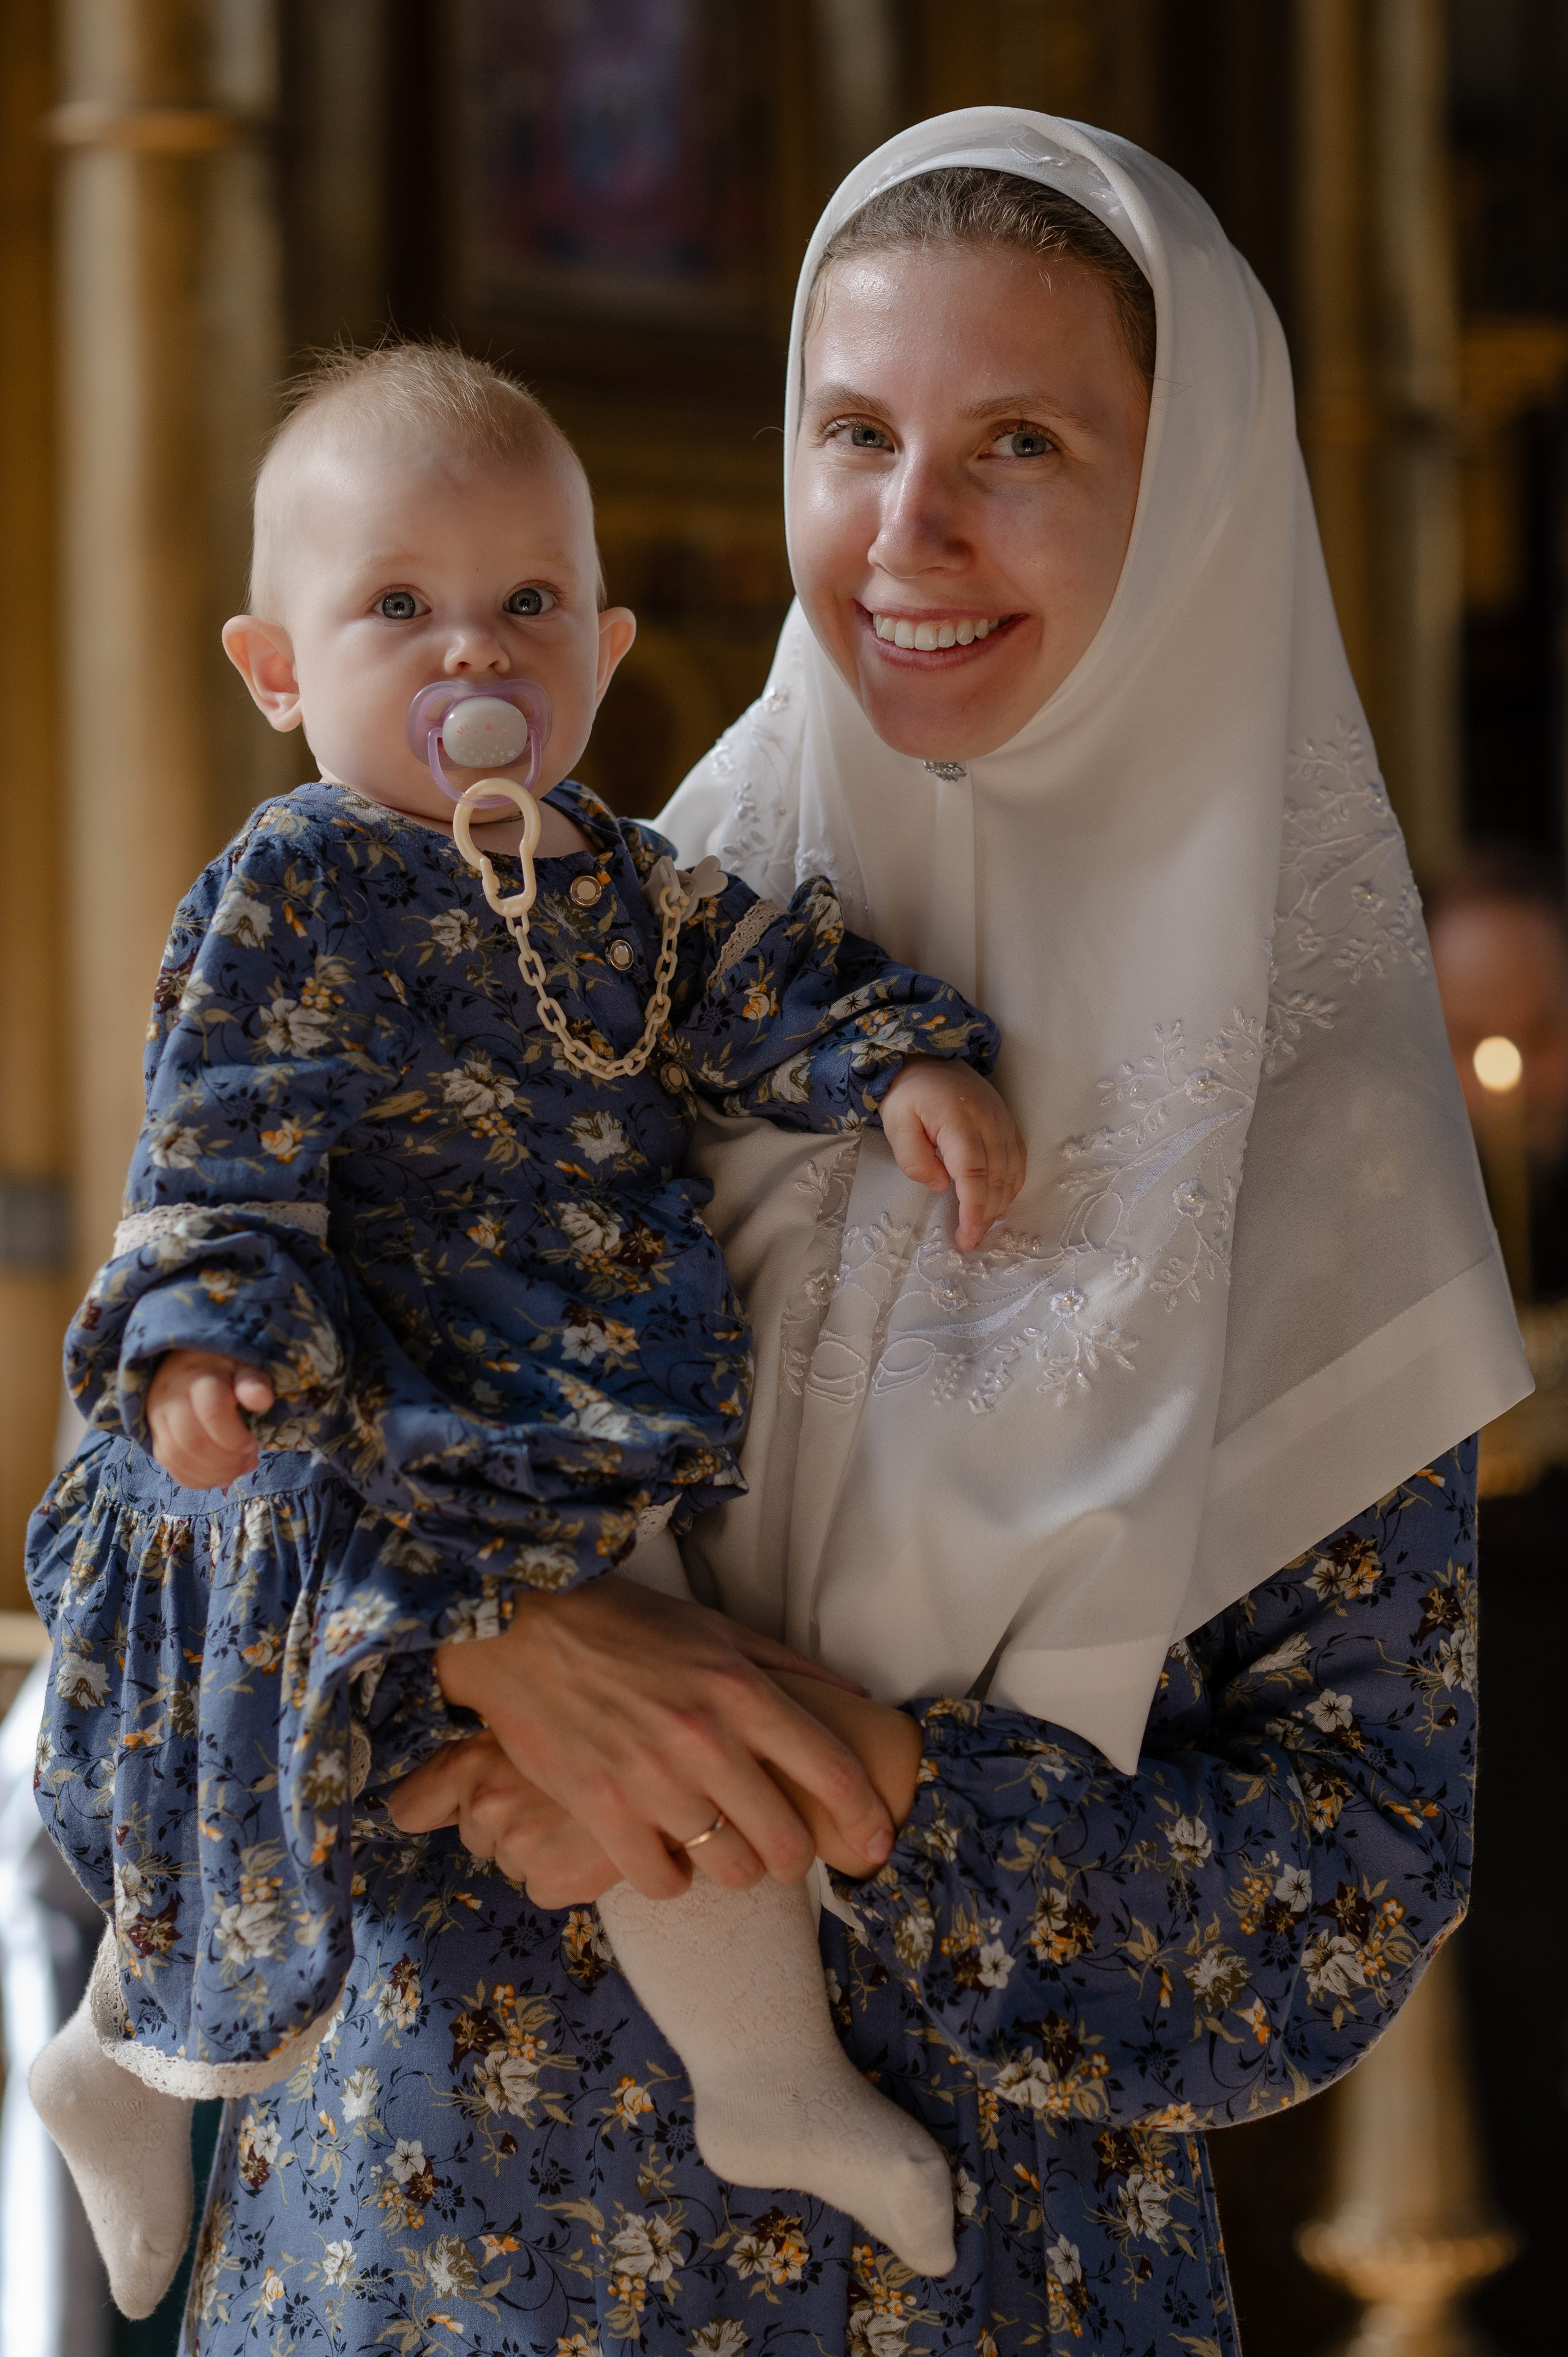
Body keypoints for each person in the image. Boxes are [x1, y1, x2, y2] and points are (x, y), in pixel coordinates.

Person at [385, 111, 1529, 2357]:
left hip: (971, 2293)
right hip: (419, 2244)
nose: (909, 531)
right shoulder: (587, 947)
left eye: (1020, 443)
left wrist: (812, 1775)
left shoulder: (1325, 1135)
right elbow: (182, 1464)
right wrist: (517, 1645)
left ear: (1190, 498)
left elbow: (1350, 1883)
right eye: (855, 433)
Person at [24, 342, 1020, 2325]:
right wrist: (204, 1346)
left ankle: (766, 2079)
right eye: (399, 604)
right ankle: (122, 2062)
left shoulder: (631, 885)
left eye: (529, 601)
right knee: (249, 1749)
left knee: (685, 1748)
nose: (473, 646)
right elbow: (220, 1136)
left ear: (605, 648)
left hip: (575, 1420)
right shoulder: (297, 883)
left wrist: (894, 1063)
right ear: (276, 670)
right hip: (360, 1414)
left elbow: (767, 985)